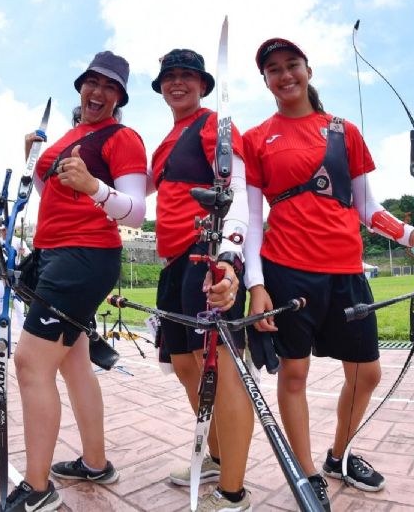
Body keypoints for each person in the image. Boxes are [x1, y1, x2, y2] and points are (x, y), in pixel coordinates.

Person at [242, 38, 414, 509]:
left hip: (344, 269)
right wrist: (255, 285)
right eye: (273, 69)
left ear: (308, 69)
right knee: (293, 373)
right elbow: (252, 220)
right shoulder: (256, 138)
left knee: (366, 373)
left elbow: (365, 206)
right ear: (265, 80)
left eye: (291, 65)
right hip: (286, 269)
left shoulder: (343, 131)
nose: (284, 75)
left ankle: (339, 456)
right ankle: (305, 473)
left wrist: (412, 235)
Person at [0, 51, 147, 512]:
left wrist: (95, 186)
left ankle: (38, 491)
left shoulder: (123, 137)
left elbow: (136, 210)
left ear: (119, 96)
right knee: (72, 362)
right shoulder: (71, 135)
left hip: (85, 256)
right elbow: (56, 196)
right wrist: (34, 162)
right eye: (91, 83)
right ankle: (95, 463)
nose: (97, 92)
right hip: (52, 253)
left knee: (30, 364)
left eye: (109, 86)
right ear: (81, 87)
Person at [148, 48, 253, 511]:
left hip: (207, 257)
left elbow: (239, 187)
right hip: (173, 264)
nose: (178, 83)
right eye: (170, 76)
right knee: (187, 367)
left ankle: (233, 492)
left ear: (204, 85)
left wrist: (230, 256)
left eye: (188, 76)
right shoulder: (167, 140)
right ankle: (214, 456)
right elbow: (134, 194)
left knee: (222, 372)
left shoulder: (215, 126)